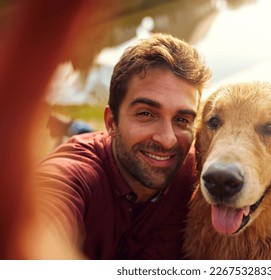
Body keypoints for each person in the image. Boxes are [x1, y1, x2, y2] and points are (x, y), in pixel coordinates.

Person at [33, 33, 211, 259]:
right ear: (111, 121)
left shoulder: (197, 176)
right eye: (146, 114)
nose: (167, 140)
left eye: (181, 120)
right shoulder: (75, 177)